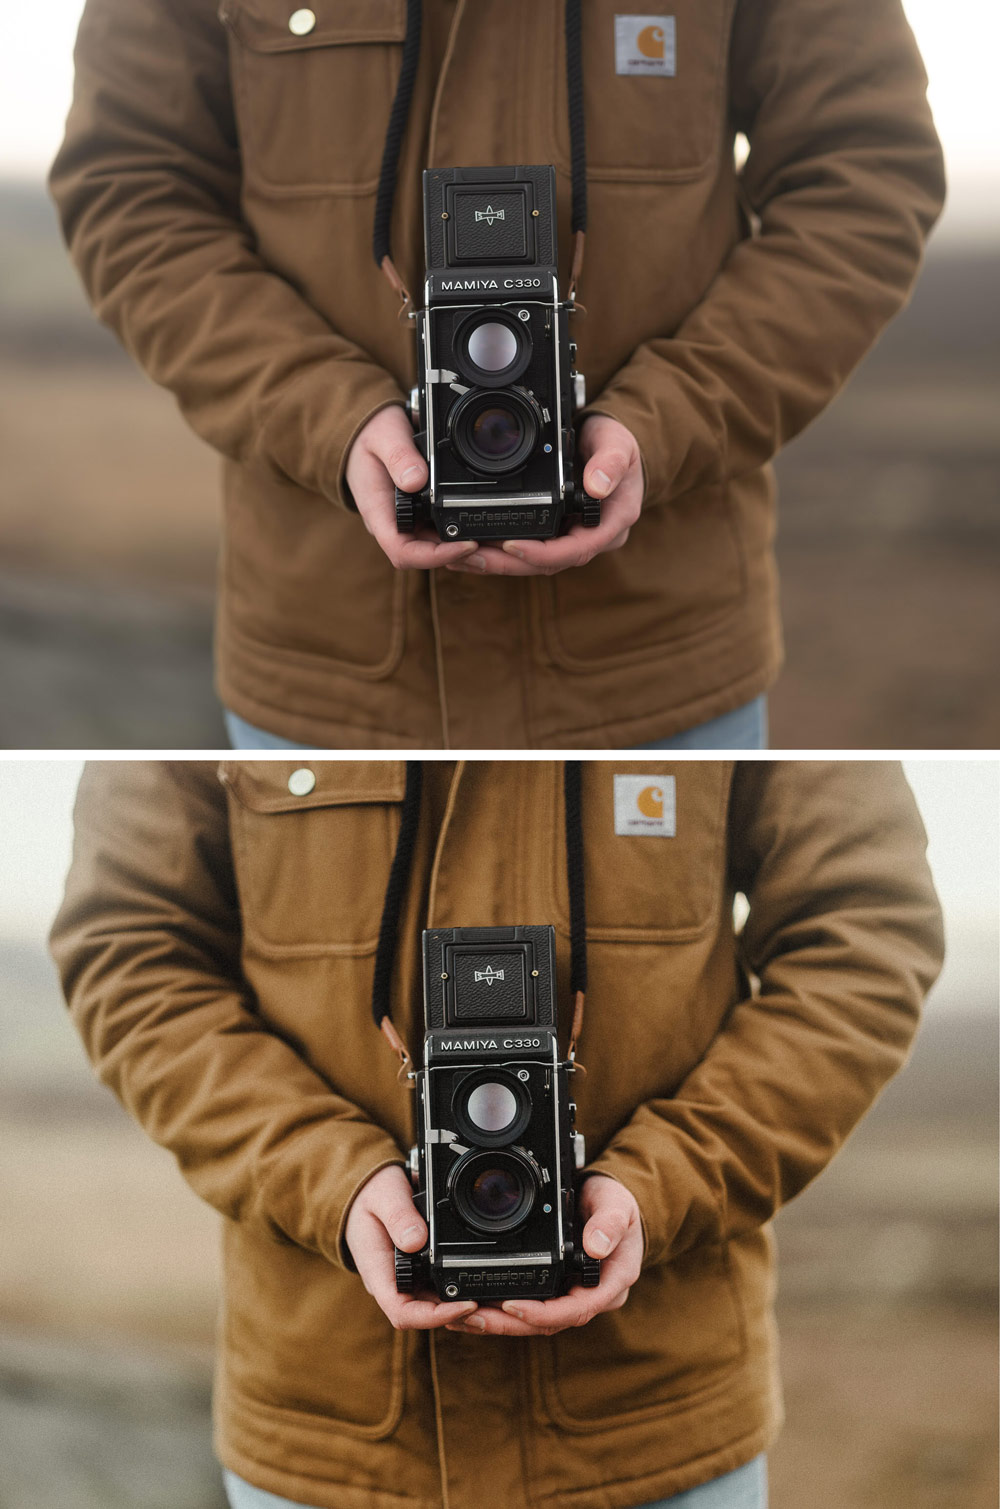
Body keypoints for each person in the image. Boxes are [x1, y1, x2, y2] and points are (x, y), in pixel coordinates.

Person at [48, 1, 944, 750]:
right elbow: (133, 186)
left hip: (658, 669)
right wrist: (324, 417)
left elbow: (862, 176)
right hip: (330, 674)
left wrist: (667, 422)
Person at [50, 757, 944, 1508]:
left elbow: (862, 932)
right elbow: (132, 948)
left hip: (655, 1425)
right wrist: (327, 1177)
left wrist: (663, 1181)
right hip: (331, 1433)